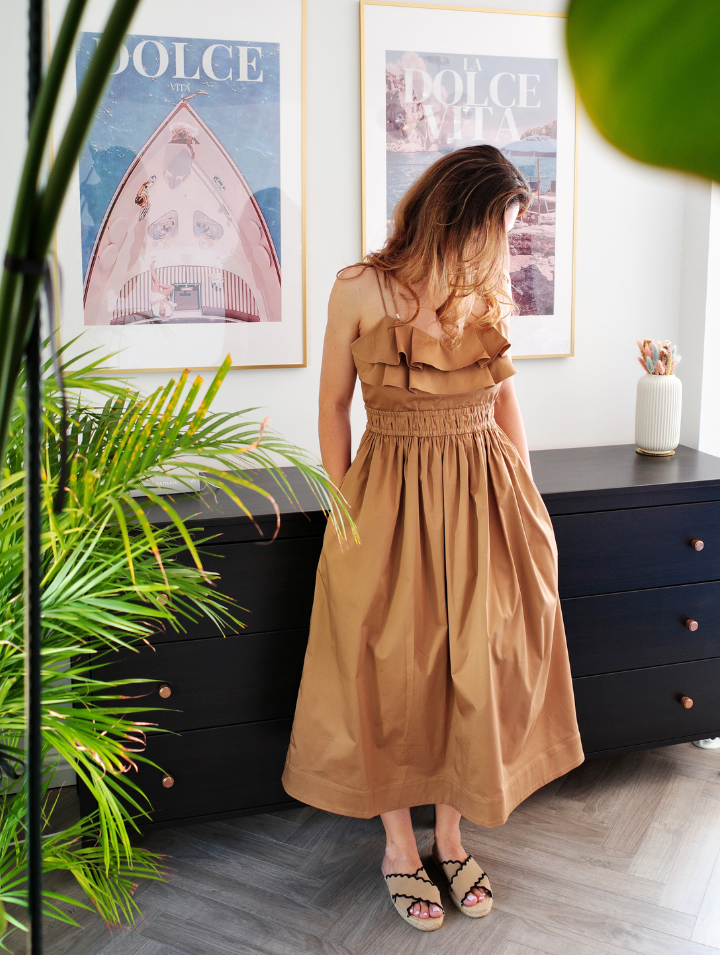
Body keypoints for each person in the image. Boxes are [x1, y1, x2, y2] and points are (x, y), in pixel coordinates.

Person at [282, 146, 584, 931]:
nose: (507, 247)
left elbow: (505, 402)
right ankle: (397, 849)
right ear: (461, 214)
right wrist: (346, 504)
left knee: (471, 664)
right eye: (503, 228)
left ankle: (449, 836)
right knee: (388, 669)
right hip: (388, 491)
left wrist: (527, 499)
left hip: (484, 490)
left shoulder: (485, 290)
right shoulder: (357, 288)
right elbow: (331, 405)